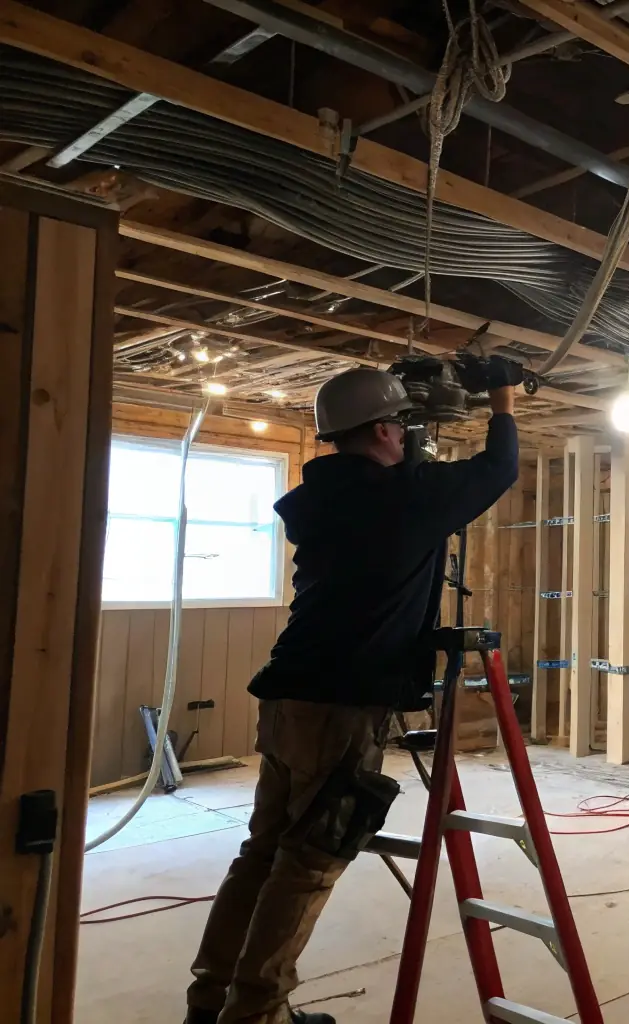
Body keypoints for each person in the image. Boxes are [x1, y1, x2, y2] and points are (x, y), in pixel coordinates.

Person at [185, 365, 520, 1024]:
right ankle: (256, 1014)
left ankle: (210, 1000)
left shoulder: (326, 499)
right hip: (341, 703)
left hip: (288, 694)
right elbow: (497, 467)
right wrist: (502, 398)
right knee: (309, 861)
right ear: (385, 430)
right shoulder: (406, 497)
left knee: (263, 851)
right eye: (402, 426)